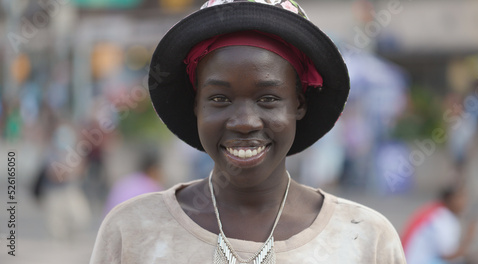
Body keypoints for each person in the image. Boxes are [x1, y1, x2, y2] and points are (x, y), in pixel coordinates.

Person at [90, 1, 406, 263]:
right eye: (219, 98)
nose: (244, 122)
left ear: (299, 104)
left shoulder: (365, 239)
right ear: (196, 105)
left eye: (267, 99)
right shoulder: (132, 231)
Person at [402, 184, 477, 264]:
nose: (465, 202)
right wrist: (469, 237)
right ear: (450, 199)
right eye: (461, 198)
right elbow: (449, 256)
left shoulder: (437, 212)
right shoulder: (442, 218)